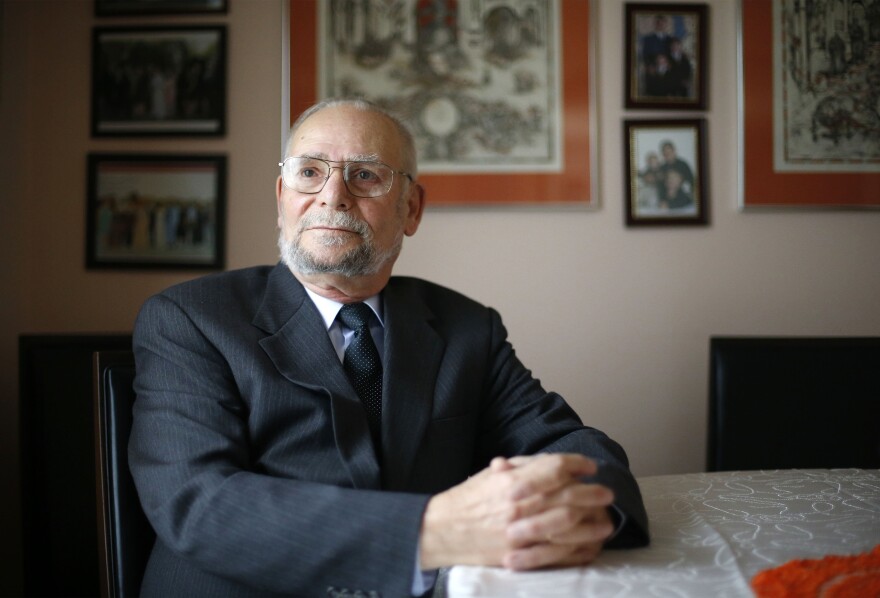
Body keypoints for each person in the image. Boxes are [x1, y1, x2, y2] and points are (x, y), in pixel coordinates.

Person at [129, 98, 650, 598]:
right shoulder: (190, 319)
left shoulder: (466, 327)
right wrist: (431, 533)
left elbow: (568, 444)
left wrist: (587, 510)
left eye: (365, 174)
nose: (333, 195)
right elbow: (196, 503)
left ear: (411, 209)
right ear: (282, 195)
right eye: (310, 171)